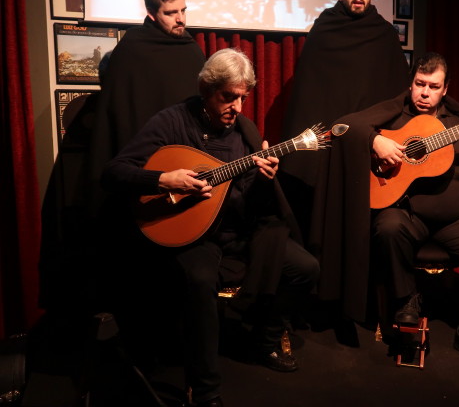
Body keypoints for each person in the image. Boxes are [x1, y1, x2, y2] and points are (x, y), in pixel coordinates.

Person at [101, 49, 320, 407]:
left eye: (242, 98)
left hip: (238, 230)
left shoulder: (245, 131)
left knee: (306, 269)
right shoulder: (173, 122)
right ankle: (204, 390)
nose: (237, 107)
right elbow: (113, 173)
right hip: (193, 235)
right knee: (200, 280)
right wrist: (164, 178)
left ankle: (263, 340)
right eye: (227, 97)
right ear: (207, 89)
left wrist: (265, 179)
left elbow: (251, 198)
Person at [314, 52, 459, 368]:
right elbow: (342, 127)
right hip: (408, 213)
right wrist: (375, 140)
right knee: (387, 228)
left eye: (433, 86)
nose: (425, 93)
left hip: (456, 217)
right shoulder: (393, 116)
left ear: (445, 89)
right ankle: (407, 300)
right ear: (411, 83)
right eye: (419, 84)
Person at [279, 0, 410, 237]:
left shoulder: (384, 34)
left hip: (368, 144)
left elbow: (396, 95)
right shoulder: (325, 29)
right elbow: (310, 93)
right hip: (326, 141)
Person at [87, 0, 205, 212]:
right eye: (171, 13)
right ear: (151, 13)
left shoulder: (192, 50)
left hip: (186, 157)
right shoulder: (131, 49)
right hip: (141, 160)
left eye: (183, 10)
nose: (180, 19)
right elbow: (119, 113)